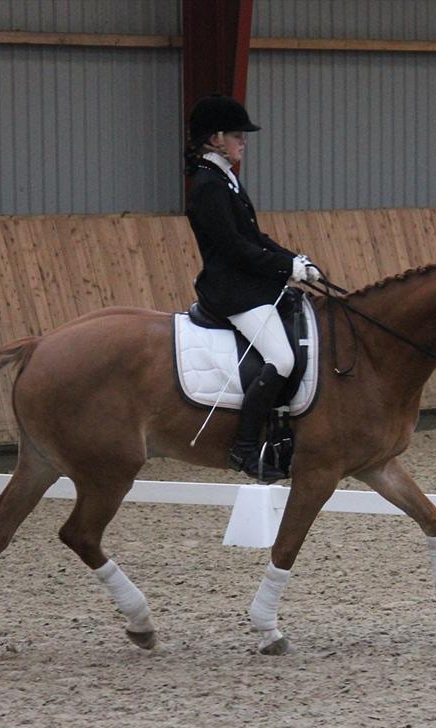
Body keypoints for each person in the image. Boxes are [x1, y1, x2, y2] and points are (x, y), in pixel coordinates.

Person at [184, 94, 321, 481]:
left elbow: (254, 237)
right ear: (215, 139)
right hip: (232, 291)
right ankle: (244, 448)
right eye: (237, 135)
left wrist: (296, 260)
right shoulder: (208, 185)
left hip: (249, 284)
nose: (243, 141)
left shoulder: (226, 179)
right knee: (282, 358)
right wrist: (284, 267)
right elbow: (233, 248)